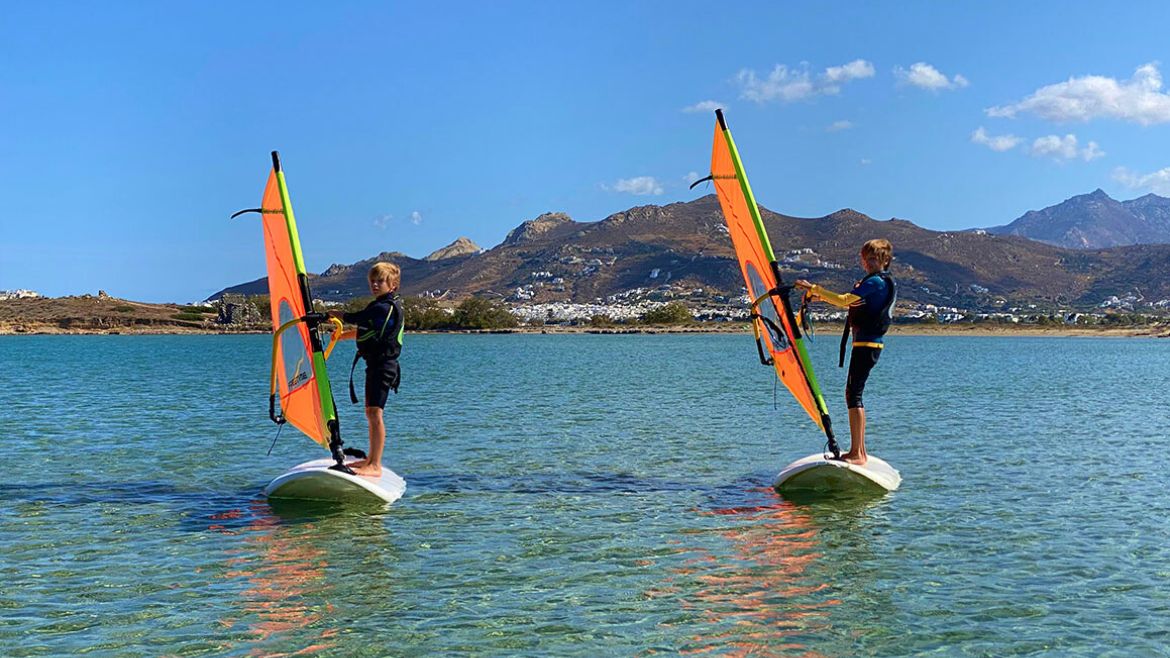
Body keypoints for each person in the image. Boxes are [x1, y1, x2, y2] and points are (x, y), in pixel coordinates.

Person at [795, 239, 896, 466]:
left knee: (854, 395)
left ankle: (858, 453)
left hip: (867, 346)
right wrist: (817, 297)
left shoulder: (876, 283)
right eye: (867, 259)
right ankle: (859, 450)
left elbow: (843, 301)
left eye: (875, 259)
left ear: (885, 261)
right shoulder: (875, 283)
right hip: (867, 345)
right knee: (853, 394)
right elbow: (848, 302)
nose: (869, 263)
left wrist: (814, 288)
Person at [327, 262, 404, 477]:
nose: (375, 284)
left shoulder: (384, 307)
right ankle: (370, 459)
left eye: (380, 281)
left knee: (375, 413)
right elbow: (368, 329)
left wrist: (335, 314)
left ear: (393, 285)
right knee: (371, 413)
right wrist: (342, 336)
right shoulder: (380, 308)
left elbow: (359, 318)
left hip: (383, 367)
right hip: (377, 366)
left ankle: (375, 465)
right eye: (372, 281)